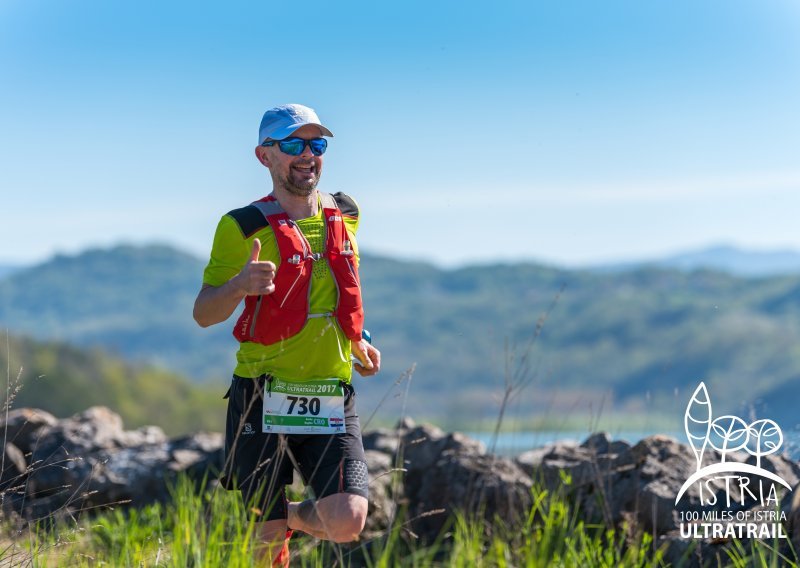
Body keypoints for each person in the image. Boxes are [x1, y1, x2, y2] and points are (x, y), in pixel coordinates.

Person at [193, 103, 381, 566]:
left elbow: (335, 290)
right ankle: (274, 523)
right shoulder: (242, 226)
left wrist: (358, 339)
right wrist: (239, 285)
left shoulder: (347, 213)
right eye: (293, 144)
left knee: (348, 518)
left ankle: (289, 516)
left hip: (330, 392)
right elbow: (203, 313)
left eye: (316, 144)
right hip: (261, 394)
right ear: (265, 156)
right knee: (264, 546)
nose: (307, 155)